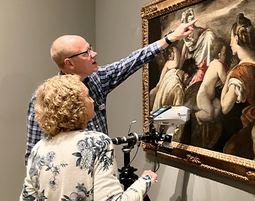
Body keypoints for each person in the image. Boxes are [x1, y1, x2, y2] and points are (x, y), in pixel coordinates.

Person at [25, 19, 198, 165]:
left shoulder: (97, 79)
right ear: (69, 64)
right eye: (86, 53)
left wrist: (171, 38)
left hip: (104, 172)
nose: (94, 54)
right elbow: (33, 153)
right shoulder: (44, 99)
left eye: (90, 48)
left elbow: (133, 60)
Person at [20, 75, 157, 200]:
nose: (92, 100)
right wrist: (146, 180)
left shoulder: (38, 149)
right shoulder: (97, 143)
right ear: (75, 105)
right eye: (87, 96)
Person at [220, 13, 255, 159]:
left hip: (248, 131)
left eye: (231, 40)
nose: (230, 44)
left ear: (236, 39)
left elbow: (225, 107)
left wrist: (227, 80)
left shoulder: (240, 71)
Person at [179, 8, 216, 87]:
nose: (186, 35)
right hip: (190, 78)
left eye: (187, 30)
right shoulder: (187, 41)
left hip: (206, 78)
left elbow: (210, 63)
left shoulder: (207, 37)